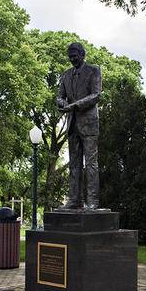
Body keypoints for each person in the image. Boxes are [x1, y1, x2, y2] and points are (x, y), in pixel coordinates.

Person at [57, 42, 102, 209]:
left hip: (89, 124)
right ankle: (75, 199)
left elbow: (96, 95)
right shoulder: (66, 75)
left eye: (75, 55)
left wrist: (75, 105)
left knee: (91, 163)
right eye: (70, 56)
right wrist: (61, 102)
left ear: (82, 54)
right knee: (74, 164)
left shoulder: (93, 70)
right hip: (72, 124)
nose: (72, 59)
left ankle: (92, 201)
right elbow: (60, 96)